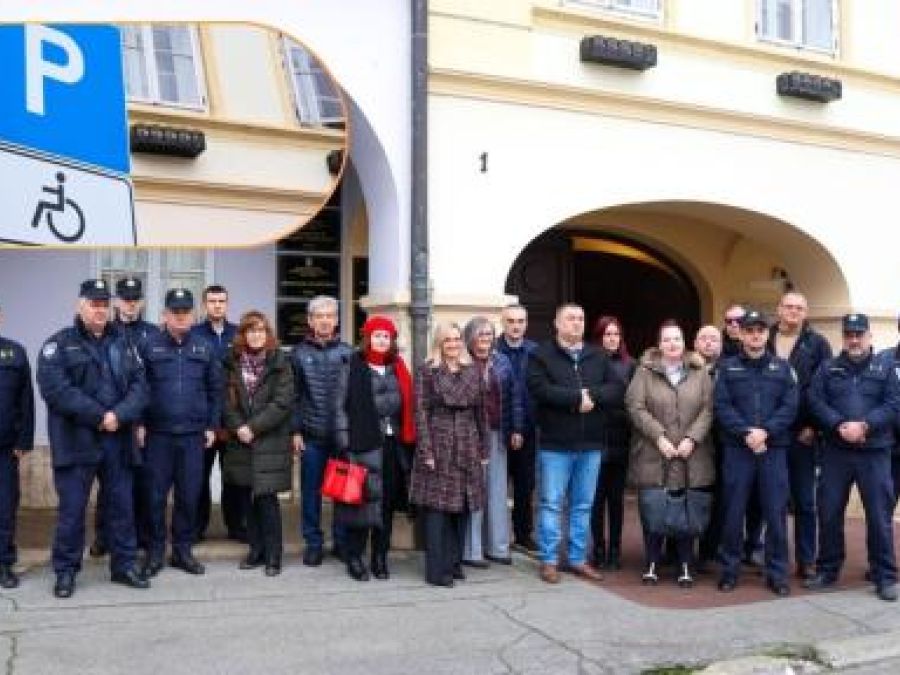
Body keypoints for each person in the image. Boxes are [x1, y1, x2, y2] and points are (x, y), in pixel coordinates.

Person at [37, 279, 149, 598]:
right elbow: (56, 391)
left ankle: (123, 566)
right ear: (80, 306)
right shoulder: (58, 345)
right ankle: (66, 571)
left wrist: (119, 415)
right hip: (77, 440)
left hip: (117, 439)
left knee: (121, 507)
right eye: (93, 304)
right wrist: (100, 416)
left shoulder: (124, 343)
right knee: (72, 511)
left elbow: (141, 387)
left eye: (103, 304)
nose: (100, 310)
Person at [806, 313, 900, 602]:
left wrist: (865, 426)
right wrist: (838, 425)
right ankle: (827, 569)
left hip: (875, 452)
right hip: (836, 452)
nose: (854, 340)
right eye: (849, 334)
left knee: (879, 516)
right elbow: (815, 401)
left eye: (859, 334)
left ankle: (884, 576)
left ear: (869, 336)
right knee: (829, 512)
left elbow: (894, 404)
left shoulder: (885, 368)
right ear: (843, 337)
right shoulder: (828, 368)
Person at [527, 303, 619, 584]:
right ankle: (549, 560)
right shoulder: (541, 355)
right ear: (557, 323)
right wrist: (576, 399)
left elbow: (616, 388)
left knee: (583, 504)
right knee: (551, 503)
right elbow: (539, 389)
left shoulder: (598, 355)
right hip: (555, 444)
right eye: (570, 318)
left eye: (580, 318)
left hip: (590, 443)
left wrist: (590, 395)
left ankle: (578, 558)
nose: (577, 323)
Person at [714, 309, 798, 596]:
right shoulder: (727, 368)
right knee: (733, 512)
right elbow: (722, 406)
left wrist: (766, 432)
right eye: (750, 330)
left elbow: (790, 405)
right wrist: (746, 433)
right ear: (741, 334)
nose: (755, 335)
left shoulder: (782, 368)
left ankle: (777, 574)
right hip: (738, 449)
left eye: (760, 330)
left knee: (775, 514)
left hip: (773, 450)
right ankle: (729, 571)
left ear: (766, 334)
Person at [139, 289, 222, 578]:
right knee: (155, 496)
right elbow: (139, 388)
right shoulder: (148, 346)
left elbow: (215, 390)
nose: (181, 316)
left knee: (189, 496)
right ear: (165, 315)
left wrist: (211, 425)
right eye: (175, 312)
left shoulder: (204, 347)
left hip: (192, 436)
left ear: (193, 314)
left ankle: (182, 551)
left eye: (185, 311)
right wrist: (139, 424)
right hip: (157, 435)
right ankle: (155, 551)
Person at [626, 320, 714, 587]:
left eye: (677, 339)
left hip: (691, 454)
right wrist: (659, 436)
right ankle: (652, 563)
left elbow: (709, 409)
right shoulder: (644, 372)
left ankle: (685, 564)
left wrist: (692, 438)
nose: (672, 344)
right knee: (654, 509)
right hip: (654, 453)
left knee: (686, 510)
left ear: (684, 342)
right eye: (667, 339)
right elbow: (635, 406)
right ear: (659, 344)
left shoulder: (700, 372)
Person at [333, 316, 416, 581]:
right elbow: (339, 409)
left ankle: (380, 557)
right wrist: (345, 444)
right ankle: (355, 557)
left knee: (387, 505)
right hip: (361, 444)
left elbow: (408, 406)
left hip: (393, 446)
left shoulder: (398, 367)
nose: (381, 340)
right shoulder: (352, 366)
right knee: (360, 504)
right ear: (368, 338)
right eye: (377, 335)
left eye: (386, 336)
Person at [409, 322, 487, 587]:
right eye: (447, 340)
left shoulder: (473, 370)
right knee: (438, 511)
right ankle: (436, 570)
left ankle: (454, 563)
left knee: (462, 507)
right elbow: (420, 412)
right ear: (439, 343)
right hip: (439, 441)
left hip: (467, 442)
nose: (453, 344)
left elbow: (481, 412)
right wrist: (426, 450)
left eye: (456, 339)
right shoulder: (427, 370)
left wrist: (484, 447)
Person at [90, 276, 159, 559]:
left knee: (142, 482)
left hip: (144, 421)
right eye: (125, 299)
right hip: (114, 421)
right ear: (116, 301)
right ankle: (103, 536)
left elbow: (151, 382)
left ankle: (139, 536)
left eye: (135, 299)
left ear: (141, 302)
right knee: (110, 484)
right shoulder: (106, 331)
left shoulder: (153, 333)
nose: (130, 304)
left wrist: (142, 422)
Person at [222, 311, 294, 577]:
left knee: (266, 500)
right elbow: (224, 402)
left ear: (268, 334)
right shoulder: (231, 362)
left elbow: (282, 403)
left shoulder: (280, 362)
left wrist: (253, 427)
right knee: (246, 499)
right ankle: (256, 550)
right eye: (251, 330)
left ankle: (274, 555)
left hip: (268, 439)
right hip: (240, 440)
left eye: (261, 330)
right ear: (243, 334)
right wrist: (238, 427)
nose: (256, 335)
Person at [767, 290, 833, 580]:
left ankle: (806, 560)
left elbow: (826, 389)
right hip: (769, 435)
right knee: (773, 502)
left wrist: (815, 427)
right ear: (779, 309)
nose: (793, 312)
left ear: (806, 313)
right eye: (789, 306)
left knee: (805, 502)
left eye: (799, 308)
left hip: (802, 436)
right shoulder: (764, 338)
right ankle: (775, 560)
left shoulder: (817, 344)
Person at [290, 295, 353, 566]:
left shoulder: (349, 353)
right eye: (319, 316)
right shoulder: (298, 354)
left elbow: (355, 397)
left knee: (342, 492)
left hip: (341, 436)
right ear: (310, 321)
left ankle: (341, 541)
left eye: (329, 316)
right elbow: (293, 396)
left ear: (336, 320)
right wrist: (295, 431)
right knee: (311, 493)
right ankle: (313, 543)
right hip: (311, 436)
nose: (325, 321)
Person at [461, 316, 523, 567]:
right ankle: (472, 551)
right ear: (470, 338)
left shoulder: (502, 361)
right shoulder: (462, 361)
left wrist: (517, 428)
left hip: (498, 433)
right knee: (474, 490)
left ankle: (497, 547)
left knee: (497, 491)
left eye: (489, 334)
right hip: (471, 433)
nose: (485, 339)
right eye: (480, 334)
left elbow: (515, 396)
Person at [192, 284, 244, 543]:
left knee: (233, 476)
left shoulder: (239, 334)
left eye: (221, 301)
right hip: (204, 419)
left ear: (227, 304)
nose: (217, 305)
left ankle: (236, 525)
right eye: (212, 301)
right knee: (199, 476)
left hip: (233, 418)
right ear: (204, 304)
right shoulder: (194, 334)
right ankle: (196, 527)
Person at [590, 315, 635, 571]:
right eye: (607, 334)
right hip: (595, 439)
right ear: (599, 337)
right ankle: (598, 548)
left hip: (620, 439)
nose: (612, 339)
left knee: (616, 500)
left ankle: (615, 549)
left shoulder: (630, 365)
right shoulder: (589, 363)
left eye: (616, 334)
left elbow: (632, 402)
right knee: (596, 500)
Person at [495, 303, 538, 554]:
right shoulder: (492, 350)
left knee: (525, 485)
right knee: (497, 486)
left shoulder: (535, 352)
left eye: (520, 321)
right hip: (499, 429)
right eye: (511, 321)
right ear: (503, 323)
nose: (516, 326)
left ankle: (523, 535)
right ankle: (498, 537)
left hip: (529, 430)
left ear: (526, 324)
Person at [0, 305, 34, 589]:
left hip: (5, 448)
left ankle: (3, 562)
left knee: (5, 507)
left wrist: (24, 440)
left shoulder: (15, 353)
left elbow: (26, 401)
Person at [693, 325, 724, 570]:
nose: (708, 343)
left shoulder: (729, 369)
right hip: (690, 442)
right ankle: (676, 550)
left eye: (714, 339)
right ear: (695, 343)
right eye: (704, 338)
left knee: (718, 500)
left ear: (721, 345)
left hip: (722, 443)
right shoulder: (684, 369)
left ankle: (709, 551)